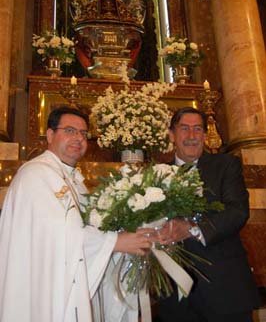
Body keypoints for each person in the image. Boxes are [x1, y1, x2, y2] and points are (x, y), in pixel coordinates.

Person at [0, 106, 153, 322]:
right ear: (50, 135)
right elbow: (59, 235)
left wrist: (127, 234)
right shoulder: (36, 174)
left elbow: (91, 228)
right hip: (44, 289)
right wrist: (115, 241)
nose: (78, 138)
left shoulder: (73, 179)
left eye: (83, 134)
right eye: (70, 131)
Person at [158, 107, 260, 322]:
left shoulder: (226, 165)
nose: (192, 136)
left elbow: (238, 211)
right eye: (184, 129)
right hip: (174, 293)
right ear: (172, 135)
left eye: (197, 129)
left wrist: (192, 229)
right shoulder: (155, 174)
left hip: (225, 288)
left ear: (205, 135)